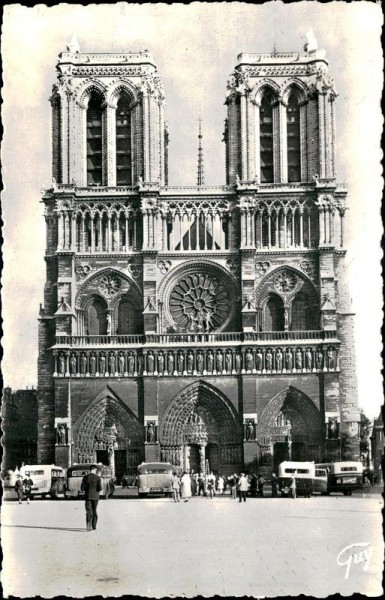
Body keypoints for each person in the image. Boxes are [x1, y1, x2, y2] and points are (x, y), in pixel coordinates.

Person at [81, 465, 102, 531]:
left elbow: (82, 488)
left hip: (88, 496)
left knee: (89, 511)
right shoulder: (98, 478)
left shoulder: (85, 477)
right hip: (95, 497)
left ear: (90, 470)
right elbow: (100, 488)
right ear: (95, 470)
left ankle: (88, 526)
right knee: (94, 510)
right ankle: (94, 526)